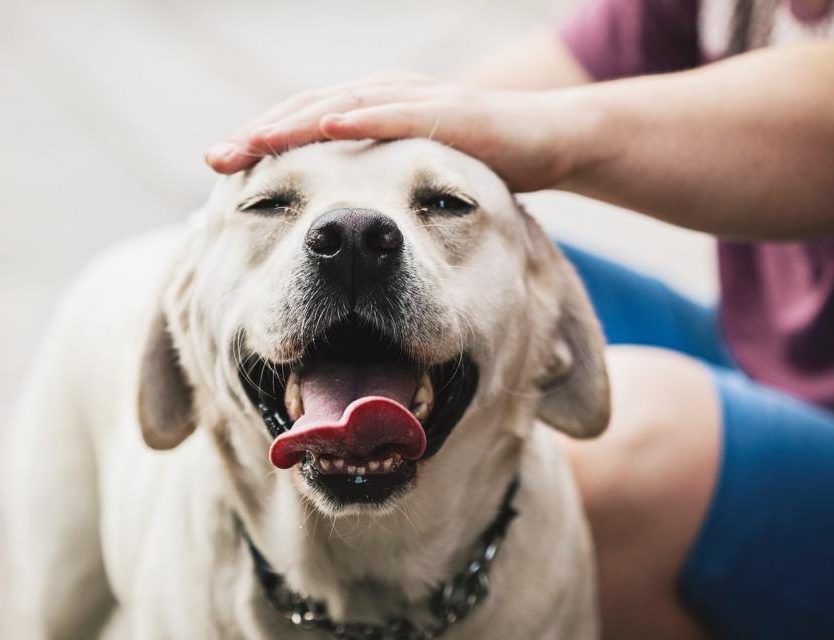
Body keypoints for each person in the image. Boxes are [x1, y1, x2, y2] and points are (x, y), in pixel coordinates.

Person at [205, 1, 834, 638]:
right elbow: (455, 120)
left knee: (619, 447)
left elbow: (523, 122)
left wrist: (555, 136)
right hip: (752, 347)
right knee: (488, 262)